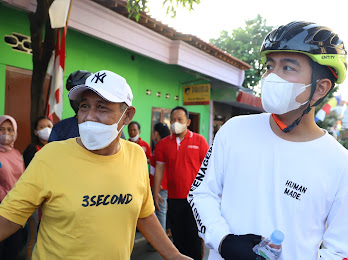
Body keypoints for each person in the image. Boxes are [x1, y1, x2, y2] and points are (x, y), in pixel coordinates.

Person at [188, 21, 348, 260]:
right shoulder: (233, 130)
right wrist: (223, 241)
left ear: (320, 89)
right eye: (270, 66)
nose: (271, 76)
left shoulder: (340, 163)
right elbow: (200, 194)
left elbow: (339, 251)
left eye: (288, 68)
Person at [0, 70, 192, 260]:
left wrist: (174, 255)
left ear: (127, 116)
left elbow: (144, 214)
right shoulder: (50, 157)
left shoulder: (136, 156)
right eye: (84, 106)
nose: (89, 116)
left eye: (102, 107)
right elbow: (9, 218)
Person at [153, 106, 209, 260]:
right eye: (172, 120)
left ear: (188, 122)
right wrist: (155, 192)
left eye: (179, 120)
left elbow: (208, 169)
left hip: (195, 199)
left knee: (194, 238)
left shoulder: (199, 141)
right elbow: (159, 168)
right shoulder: (164, 144)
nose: (175, 123)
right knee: (178, 237)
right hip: (174, 198)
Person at [0, 115, 27, 259]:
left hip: (16, 208)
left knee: (13, 249)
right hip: (0, 208)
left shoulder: (16, 154)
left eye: (10, 130)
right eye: (2, 129)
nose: (6, 134)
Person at [150, 122, 171, 231]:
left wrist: (159, 185)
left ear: (156, 133)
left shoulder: (161, 145)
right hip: (159, 184)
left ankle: (161, 242)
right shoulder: (161, 145)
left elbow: (161, 167)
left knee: (160, 211)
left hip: (161, 185)